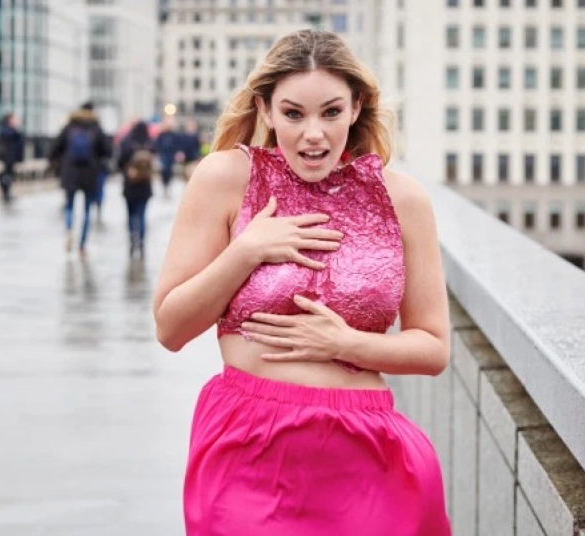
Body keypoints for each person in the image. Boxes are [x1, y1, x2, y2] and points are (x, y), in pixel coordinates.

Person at [153, 29, 451, 535]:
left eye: (330, 112)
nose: (313, 133)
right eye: (293, 114)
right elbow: (171, 328)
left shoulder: (405, 200)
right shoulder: (224, 178)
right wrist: (247, 250)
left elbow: (434, 348)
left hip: (370, 457)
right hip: (249, 449)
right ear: (265, 110)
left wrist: (346, 343)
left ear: (357, 108)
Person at [48, 101, 110, 257]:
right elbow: (108, 151)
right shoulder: (96, 128)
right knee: (87, 211)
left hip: (70, 173)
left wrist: (59, 164)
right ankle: (82, 245)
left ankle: (69, 230)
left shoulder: (69, 127)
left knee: (69, 206)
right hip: (90, 174)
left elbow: (54, 149)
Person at [117, 120, 154, 259]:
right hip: (145, 185)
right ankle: (142, 242)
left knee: (131, 214)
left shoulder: (127, 141)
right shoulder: (149, 142)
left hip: (130, 185)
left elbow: (119, 162)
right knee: (142, 215)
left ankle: (132, 238)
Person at [0, 112, 24, 204]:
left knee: (9, 176)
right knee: (6, 176)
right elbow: (9, 137)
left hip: (11, 158)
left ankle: (7, 193)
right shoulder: (5, 129)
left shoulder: (11, 129)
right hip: (7, 158)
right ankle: (5, 194)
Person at [153, 117, 182, 197]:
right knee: (164, 171)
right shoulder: (161, 135)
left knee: (169, 172)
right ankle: (164, 186)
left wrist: (178, 153)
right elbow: (157, 145)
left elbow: (177, 144)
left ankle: (168, 186)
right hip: (163, 155)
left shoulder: (174, 135)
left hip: (171, 156)